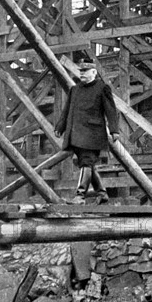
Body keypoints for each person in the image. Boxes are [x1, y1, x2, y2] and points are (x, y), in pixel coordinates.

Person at [55, 59, 120, 205]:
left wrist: (114, 130)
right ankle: (102, 193)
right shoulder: (75, 89)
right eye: (81, 71)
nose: (82, 74)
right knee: (87, 163)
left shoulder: (102, 88)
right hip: (75, 134)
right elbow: (67, 110)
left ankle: (80, 196)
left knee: (86, 162)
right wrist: (60, 126)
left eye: (85, 71)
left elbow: (111, 110)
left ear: (94, 72)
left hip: (93, 134)